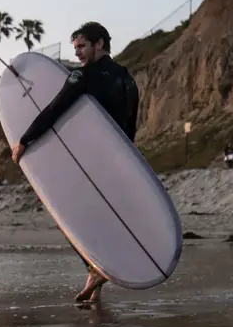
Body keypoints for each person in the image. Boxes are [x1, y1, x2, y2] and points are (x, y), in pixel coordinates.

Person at [11, 21, 139, 306]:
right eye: (76, 47)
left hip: (90, 161)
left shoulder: (84, 76)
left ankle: (95, 269)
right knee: (101, 216)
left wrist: (24, 140)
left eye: (82, 46)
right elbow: (130, 127)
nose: (78, 53)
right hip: (119, 161)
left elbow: (55, 109)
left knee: (67, 215)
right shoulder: (128, 79)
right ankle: (96, 278)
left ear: (100, 44)